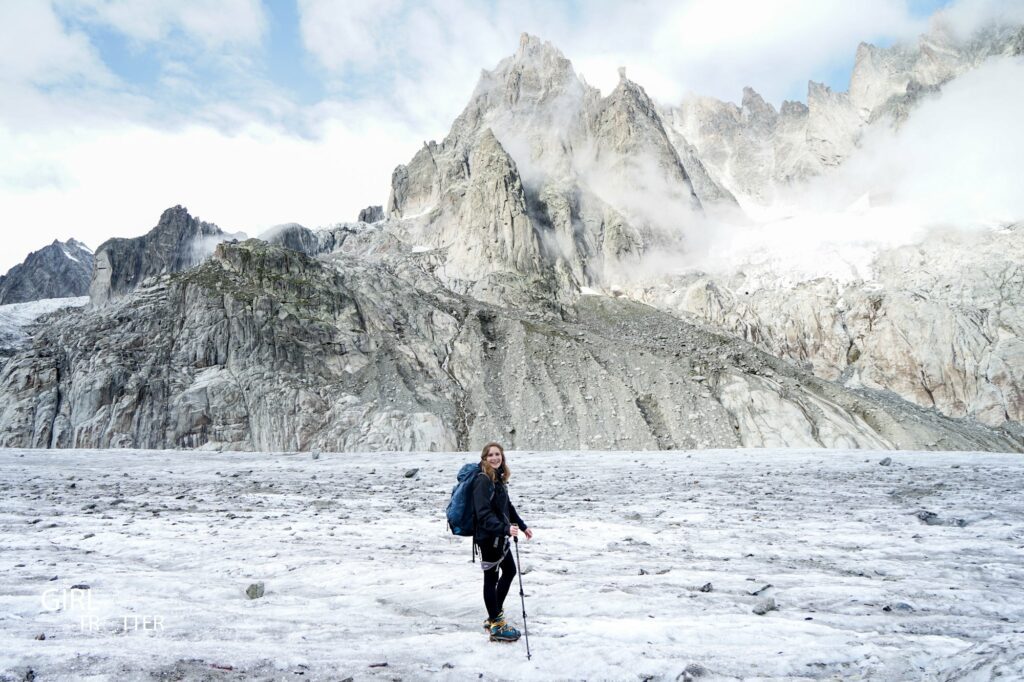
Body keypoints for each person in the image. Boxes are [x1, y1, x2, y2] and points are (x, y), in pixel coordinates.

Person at [473, 441, 533, 642]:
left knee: (509, 571)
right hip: (488, 538)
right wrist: (505, 528)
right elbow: (483, 514)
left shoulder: (497, 478)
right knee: (491, 578)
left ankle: (493, 616)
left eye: (497, 454)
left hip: (500, 537)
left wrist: (522, 526)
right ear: (484, 458)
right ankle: (497, 624)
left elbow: (507, 506)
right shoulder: (482, 480)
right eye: (490, 455)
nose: (495, 458)